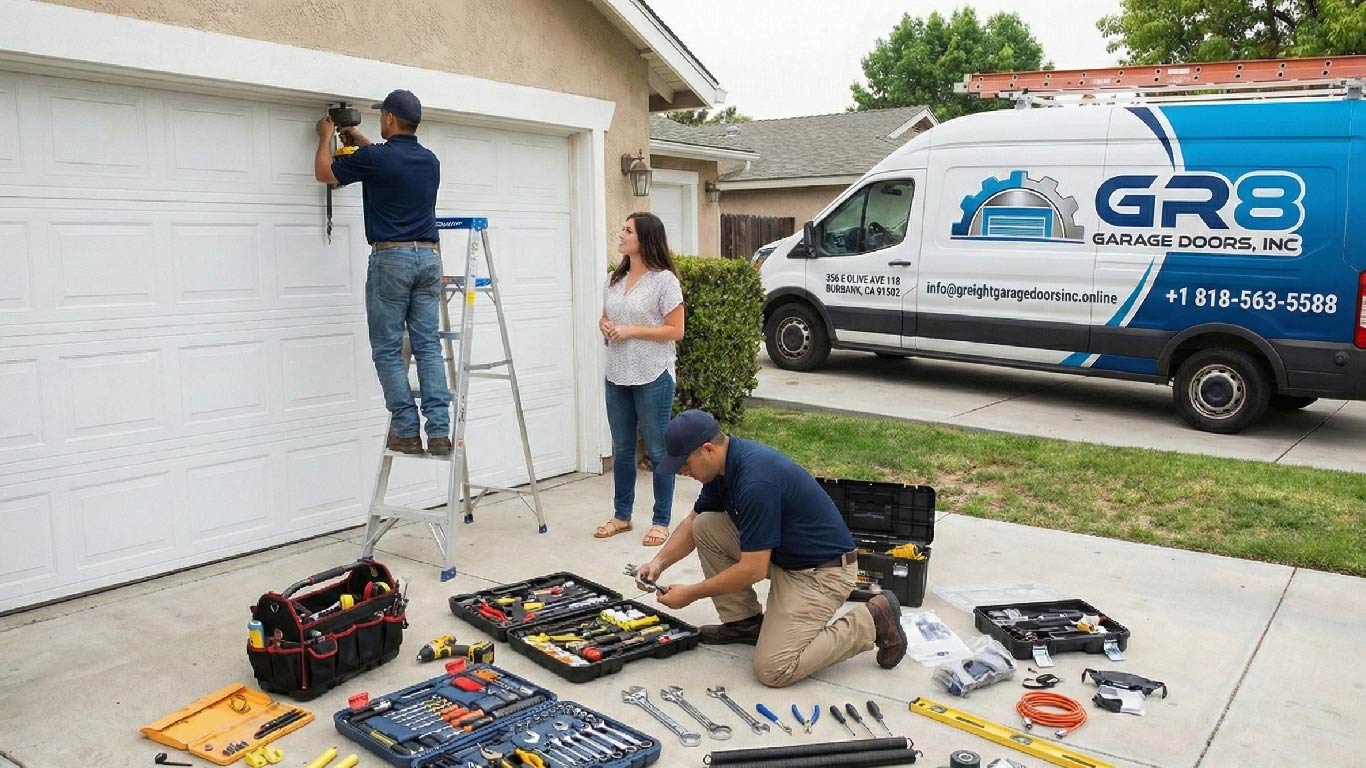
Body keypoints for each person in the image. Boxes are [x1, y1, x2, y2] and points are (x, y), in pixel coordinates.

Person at [633, 409, 908, 688]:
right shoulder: (722, 468)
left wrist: (691, 593)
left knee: (774, 669)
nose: (682, 470)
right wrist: (658, 563)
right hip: (785, 557)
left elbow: (752, 569)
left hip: (821, 573)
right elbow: (693, 521)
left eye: (684, 463)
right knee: (705, 525)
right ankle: (745, 623)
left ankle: (872, 619)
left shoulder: (755, 482)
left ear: (708, 450)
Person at [314, 90, 449, 455]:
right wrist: (359, 140)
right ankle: (439, 432)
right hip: (429, 257)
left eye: (381, 116)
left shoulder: (376, 158)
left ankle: (406, 430)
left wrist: (325, 137)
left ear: (389, 118)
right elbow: (389, 162)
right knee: (428, 346)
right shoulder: (430, 160)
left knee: (388, 349)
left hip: (392, 259)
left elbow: (325, 173)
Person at [594, 213, 685, 547]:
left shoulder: (665, 281)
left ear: (645, 239)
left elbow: (676, 330)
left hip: (653, 374)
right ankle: (622, 516)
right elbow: (606, 317)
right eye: (622, 228)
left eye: (627, 230)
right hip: (617, 373)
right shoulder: (613, 279)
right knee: (622, 450)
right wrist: (605, 326)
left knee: (658, 450)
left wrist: (631, 330)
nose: (621, 234)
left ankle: (661, 521)